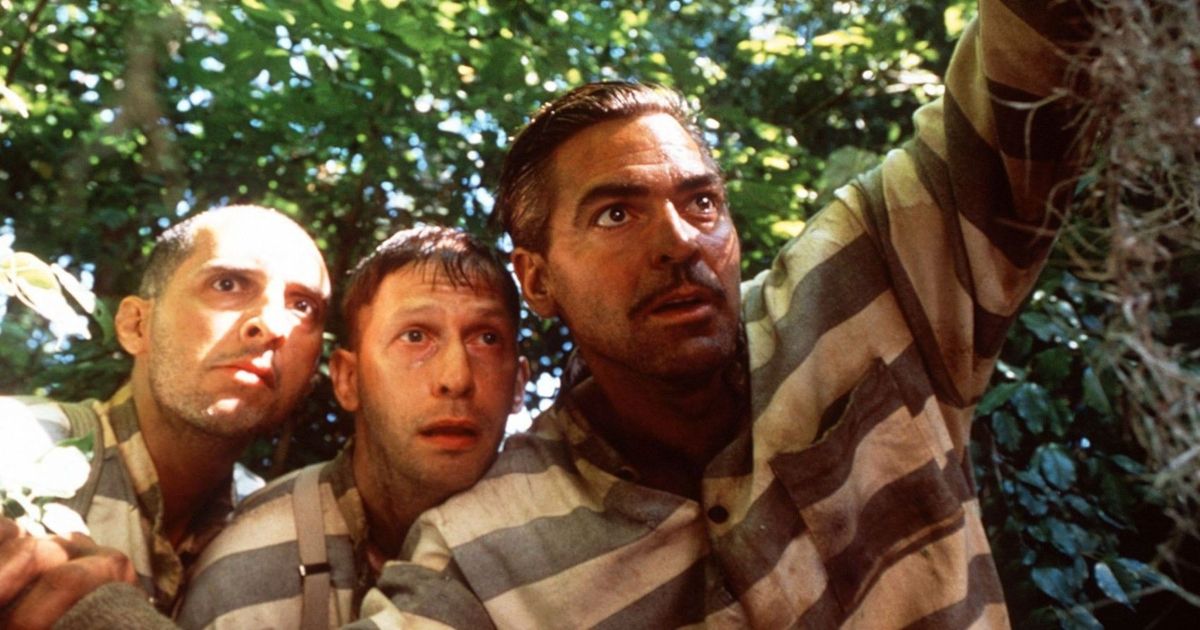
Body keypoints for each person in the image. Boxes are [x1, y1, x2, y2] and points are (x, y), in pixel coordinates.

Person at [353, 1, 1093, 628]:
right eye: (616, 213)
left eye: (701, 201)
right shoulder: (479, 563)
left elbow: (1030, 74)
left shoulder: (869, 291)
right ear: (538, 280)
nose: (680, 241)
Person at [175, 226, 529, 628]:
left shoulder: (561, 536)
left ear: (518, 384)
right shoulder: (252, 566)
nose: (456, 378)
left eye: (486, 338)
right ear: (348, 379)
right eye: (415, 336)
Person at [0, 205, 330, 627]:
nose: (271, 325)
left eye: (303, 307)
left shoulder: (287, 531)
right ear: (137, 325)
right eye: (227, 284)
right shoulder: (21, 444)